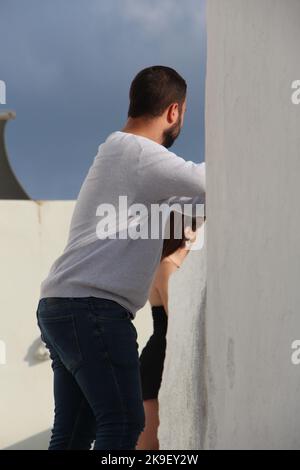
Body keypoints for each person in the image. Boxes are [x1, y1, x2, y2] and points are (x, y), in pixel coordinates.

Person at [35, 65, 206, 450]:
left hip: (64, 307)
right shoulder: (139, 152)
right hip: (92, 309)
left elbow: (195, 199)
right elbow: (207, 181)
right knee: (125, 421)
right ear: (174, 111)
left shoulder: (123, 155)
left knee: (75, 434)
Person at [136, 212, 204, 450]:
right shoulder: (167, 265)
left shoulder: (179, 267)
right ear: (187, 231)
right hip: (158, 360)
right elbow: (175, 314)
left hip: (166, 356)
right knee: (149, 444)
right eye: (199, 226)